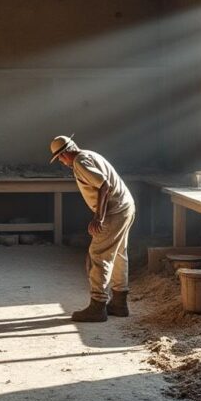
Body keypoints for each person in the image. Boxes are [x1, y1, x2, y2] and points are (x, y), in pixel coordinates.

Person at [49, 135, 135, 322]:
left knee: (99, 254)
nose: (62, 163)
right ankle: (120, 304)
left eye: (60, 159)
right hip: (125, 206)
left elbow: (104, 185)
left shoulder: (80, 161)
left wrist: (99, 217)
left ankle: (98, 306)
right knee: (119, 254)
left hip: (114, 211)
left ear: (65, 153)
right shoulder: (89, 154)